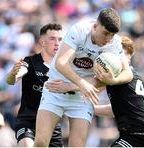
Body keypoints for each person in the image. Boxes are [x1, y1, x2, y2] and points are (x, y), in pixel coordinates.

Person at [34, 8, 133, 147]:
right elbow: (61, 63)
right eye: (105, 33)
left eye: (112, 35)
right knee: (40, 143)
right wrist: (82, 84)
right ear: (95, 26)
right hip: (56, 88)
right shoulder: (79, 30)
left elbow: (128, 73)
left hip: (82, 97)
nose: (108, 39)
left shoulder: (114, 43)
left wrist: (113, 81)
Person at [6, 23, 64, 147]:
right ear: (42, 42)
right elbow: (12, 80)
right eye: (52, 39)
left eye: (60, 39)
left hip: (52, 125)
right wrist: (13, 74)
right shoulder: (30, 61)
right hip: (28, 122)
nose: (57, 43)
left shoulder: (64, 68)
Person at [94, 36, 144, 147]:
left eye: (123, 55)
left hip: (138, 137)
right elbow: (116, 110)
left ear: (129, 59)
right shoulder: (120, 79)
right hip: (130, 136)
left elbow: (93, 85)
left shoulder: (126, 77)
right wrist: (91, 109)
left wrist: (69, 87)